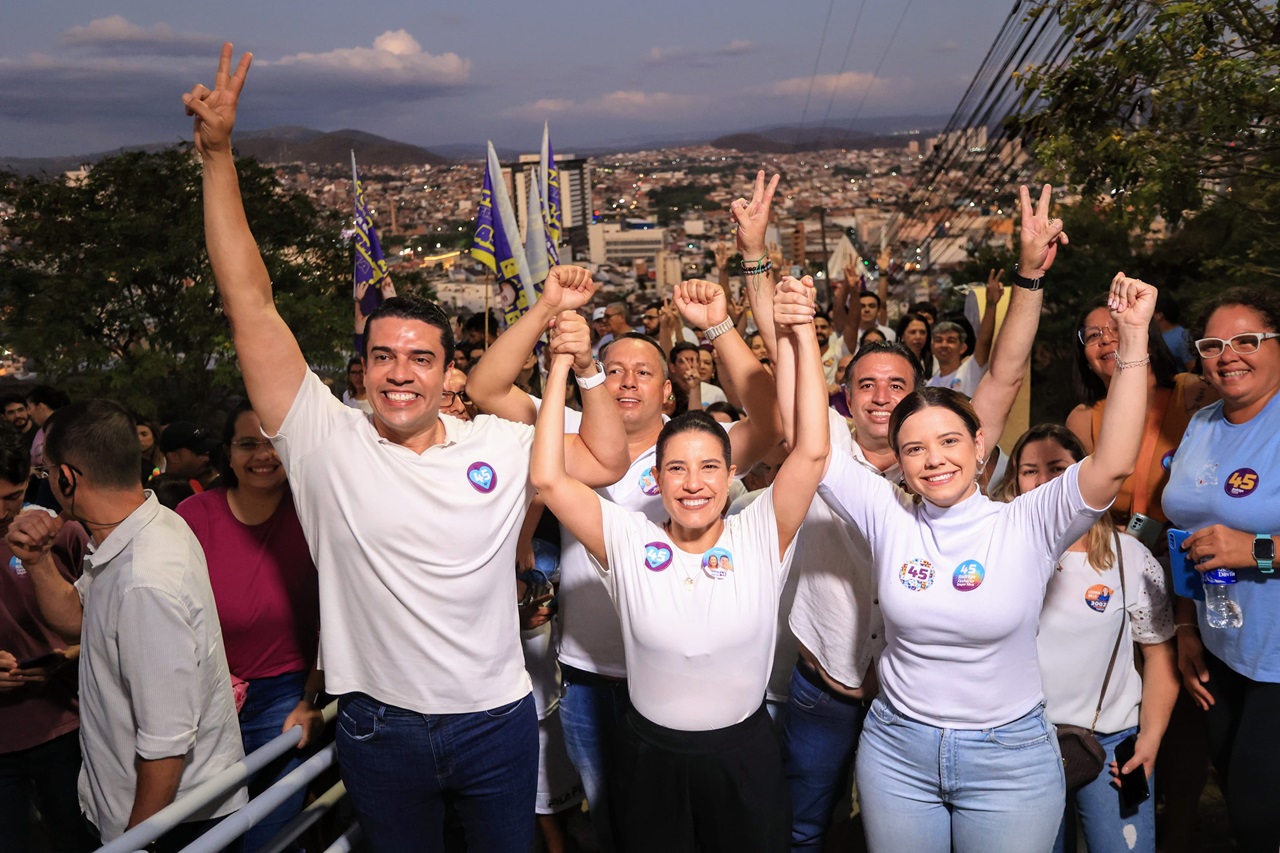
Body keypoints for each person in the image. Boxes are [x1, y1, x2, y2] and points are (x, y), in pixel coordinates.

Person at [185, 44, 627, 853]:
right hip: (379, 727)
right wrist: (218, 159)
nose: (400, 374)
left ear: (448, 370)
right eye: (383, 356)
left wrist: (588, 360)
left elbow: (603, 459)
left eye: (422, 357)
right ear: (360, 370)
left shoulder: (496, 438)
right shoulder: (324, 439)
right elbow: (248, 298)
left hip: (495, 722)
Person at [737, 177, 1060, 851]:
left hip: (928, 706)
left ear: (925, 397)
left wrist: (1029, 278)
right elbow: (784, 349)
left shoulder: (948, 462)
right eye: (865, 386)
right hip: (830, 685)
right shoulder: (823, 456)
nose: (882, 397)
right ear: (843, 400)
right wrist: (755, 255)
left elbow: (1003, 372)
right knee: (804, 825)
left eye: (898, 386)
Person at [814, 272, 1155, 853]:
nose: (933, 459)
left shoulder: (1027, 519)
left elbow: (1115, 461)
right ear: (897, 460)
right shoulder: (886, 511)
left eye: (949, 441)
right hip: (897, 750)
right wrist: (790, 325)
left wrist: (1134, 340)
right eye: (914, 448)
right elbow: (810, 441)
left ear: (979, 447)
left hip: (1010, 760)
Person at [468, 273, 779, 852]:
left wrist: (718, 327)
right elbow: (485, 387)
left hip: (678, 686)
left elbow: (773, 424)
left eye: (644, 372)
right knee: (614, 820)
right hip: (588, 670)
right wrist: (550, 311)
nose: (627, 381)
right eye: (614, 369)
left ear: (668, 389)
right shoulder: (562, 428)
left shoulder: (692, 449)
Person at [529, 273, 829, 853]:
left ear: (732, 474)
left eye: (710, 467)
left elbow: (811, 448)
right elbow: (547, 476)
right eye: (676, 469)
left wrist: (803, 337)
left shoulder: (760, 532)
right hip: (650, 758)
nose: (694, 484)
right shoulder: (627, 538)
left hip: (744, 757)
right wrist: (563, 366)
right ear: (656, 479)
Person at [8, 400, 247, 848]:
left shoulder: (143, 580)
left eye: (46, 476)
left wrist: (137, 842)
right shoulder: (145, 527)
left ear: (66, 478)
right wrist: (38, 560)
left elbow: (166, 743)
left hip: (168, 822)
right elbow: (77, 621)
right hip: (153, 810)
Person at [995, 424, 1179, 853]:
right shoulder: (996, 556)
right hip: (1021, 746)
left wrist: (1149, 741)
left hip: (1116, 744)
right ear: (1014, 482)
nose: (1044, 482)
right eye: (1029, 470)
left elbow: (1159, 657)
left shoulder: (1129, 557)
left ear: (1083, 474)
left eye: (1058, 468)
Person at [175, 401, 324, 852]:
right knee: (208, 831)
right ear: (227, 452)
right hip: (205, 698)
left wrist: (310, 696)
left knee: (270, 832)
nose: (263, 455)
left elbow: (336, 613)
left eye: (273, 444)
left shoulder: (314, 512)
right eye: (248, 444)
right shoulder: (194, 514)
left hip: (283, 696)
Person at [1163, 286, 1280, 852]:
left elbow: (1238, 542)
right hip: (1221, 646)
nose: (1229, 354)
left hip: (1277, 656)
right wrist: (1186, 626)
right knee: (1238, 795)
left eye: (1248, 340)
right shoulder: (1202, 422)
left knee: (1260, 814)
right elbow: (1185, 530)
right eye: (1214, 344)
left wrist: (1255, 551)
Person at [0, 425, 98, 853]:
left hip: (66, 727)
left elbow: (105, 621)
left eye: (10, 496)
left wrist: (69, 655)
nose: (1, 512)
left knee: (79, 840)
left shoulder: (62, 534)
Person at [1066, 297, 1217, 533]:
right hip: (1118, 555)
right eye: (1093, 335)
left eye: (1118, 328)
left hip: (1195, 551)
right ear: (1085, 359)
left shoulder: (1194, 393)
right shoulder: (1082, 419)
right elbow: (1075, 507)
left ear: (1148, 341)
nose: (1106, 339)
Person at [925, 270, 1002, 397]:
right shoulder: (930, 386)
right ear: (932, 346)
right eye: (938, 340)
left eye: (951, 340)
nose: (944, 345)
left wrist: (991, 305)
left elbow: (984, 342)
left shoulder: (971, 370)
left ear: (963, 347)